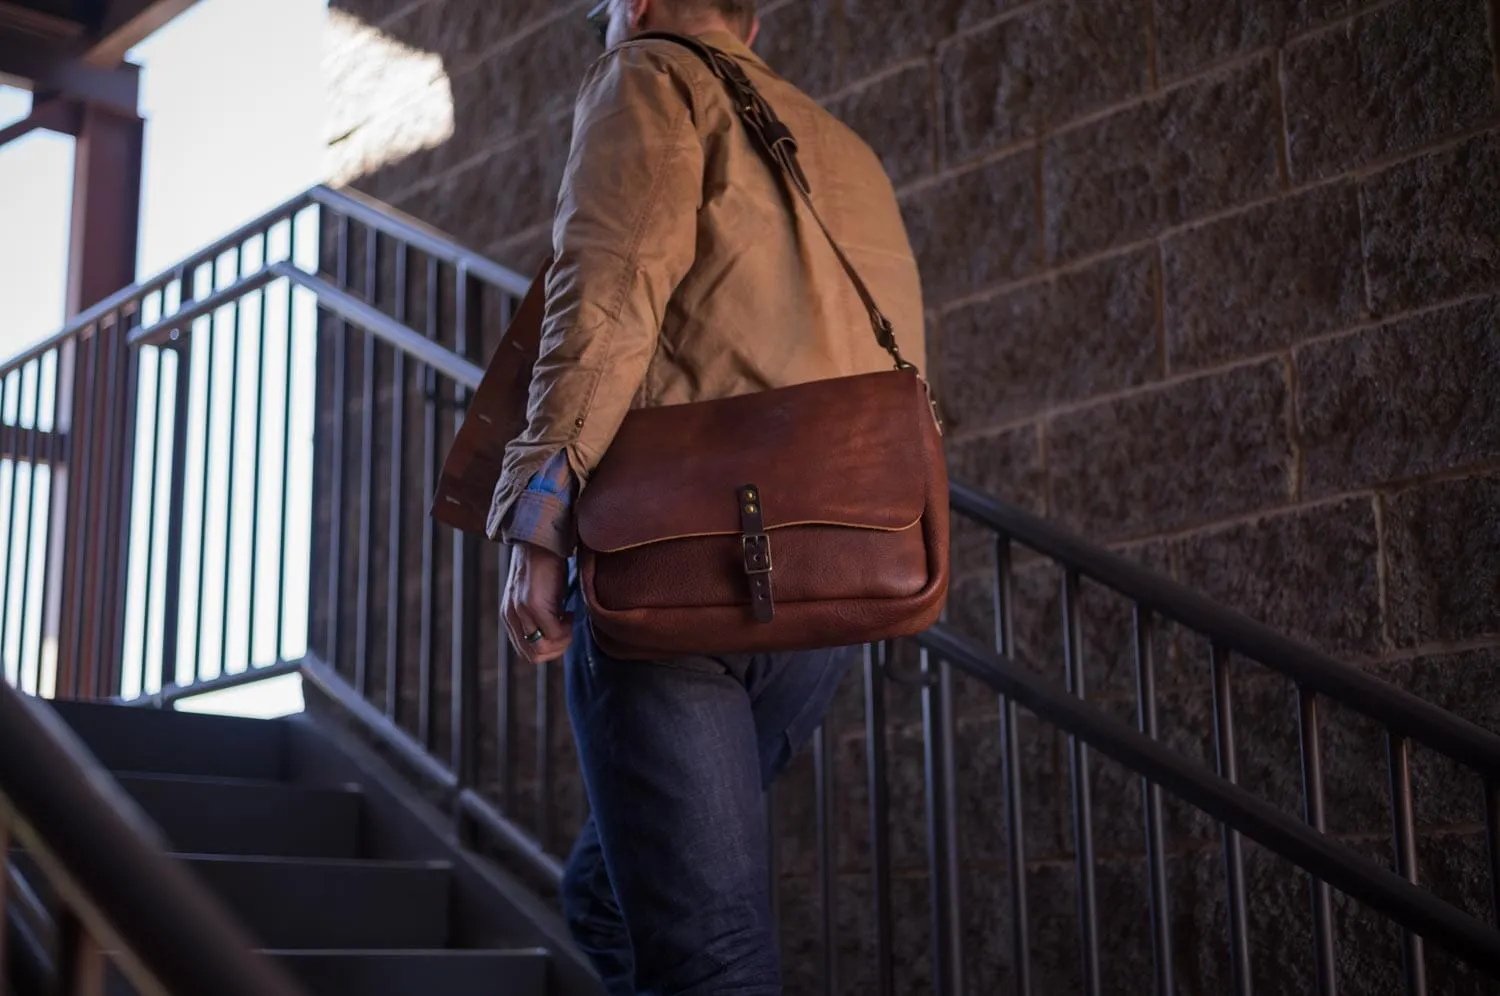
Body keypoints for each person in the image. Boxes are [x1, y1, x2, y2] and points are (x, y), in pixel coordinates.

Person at [491, 0, 925, 992]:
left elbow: (604, 297)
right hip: (829, 589)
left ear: (637, 4)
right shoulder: (842, 144)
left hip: (681, 575)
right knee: (609, 902)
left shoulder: (647, 74)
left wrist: (539, 515)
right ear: (753, 25)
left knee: (710, 958)